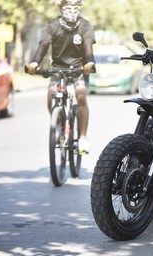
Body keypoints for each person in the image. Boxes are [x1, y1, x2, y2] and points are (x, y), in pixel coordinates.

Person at [27, 0, 95, 154]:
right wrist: (34, 62)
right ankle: (58, 123)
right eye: (68, 7)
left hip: (79, 68)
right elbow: (43, 46)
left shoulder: (85, 26)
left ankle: (83, 137)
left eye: (75, 7)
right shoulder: (52, 25)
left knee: (81, 95)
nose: (71, 10)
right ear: (60, 8)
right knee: (51, 95)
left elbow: (88, 48)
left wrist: (90, 62)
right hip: (58, 68)